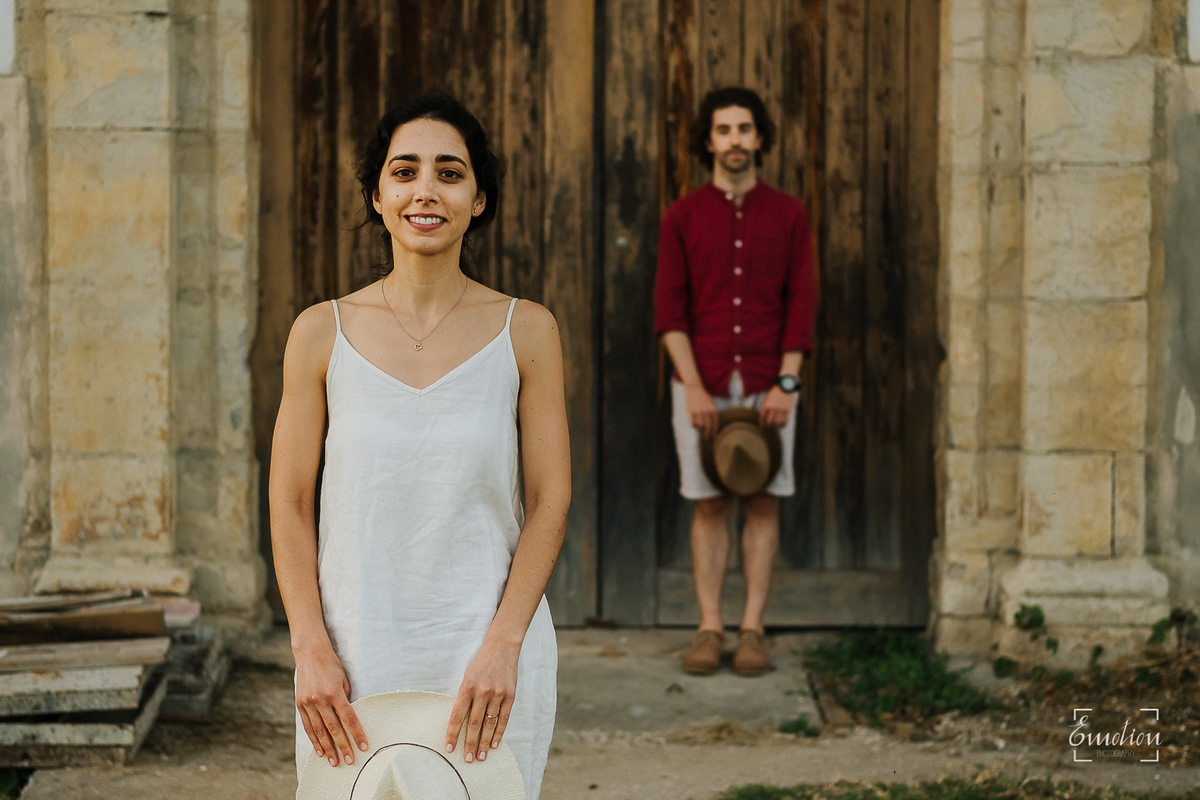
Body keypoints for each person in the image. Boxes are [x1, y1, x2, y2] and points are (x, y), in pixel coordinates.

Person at [269, 91, 569, 800]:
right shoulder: (320, 332)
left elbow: (549, 499)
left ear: (479, 199)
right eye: (404, 172)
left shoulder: (527, 331)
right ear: (377, 197)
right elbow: (290, 500)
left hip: (487, 656)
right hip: (353, 654)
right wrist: (310, 648)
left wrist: (505, 646)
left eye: (449, 173)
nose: (425, 190)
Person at [655, 86, 817, 677]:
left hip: (772, 386)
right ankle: (709, 628)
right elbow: (669, 310)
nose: (735, 140)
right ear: (709, 141)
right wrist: (694, 386)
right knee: (710, 505)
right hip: (701, 384)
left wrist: (787, 384)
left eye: (744, 129)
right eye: (724, 130)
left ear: (760, 138)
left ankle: (752, 630)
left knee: (764, 503)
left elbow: (802, 303)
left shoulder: (789, 214)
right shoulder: (683, 217)